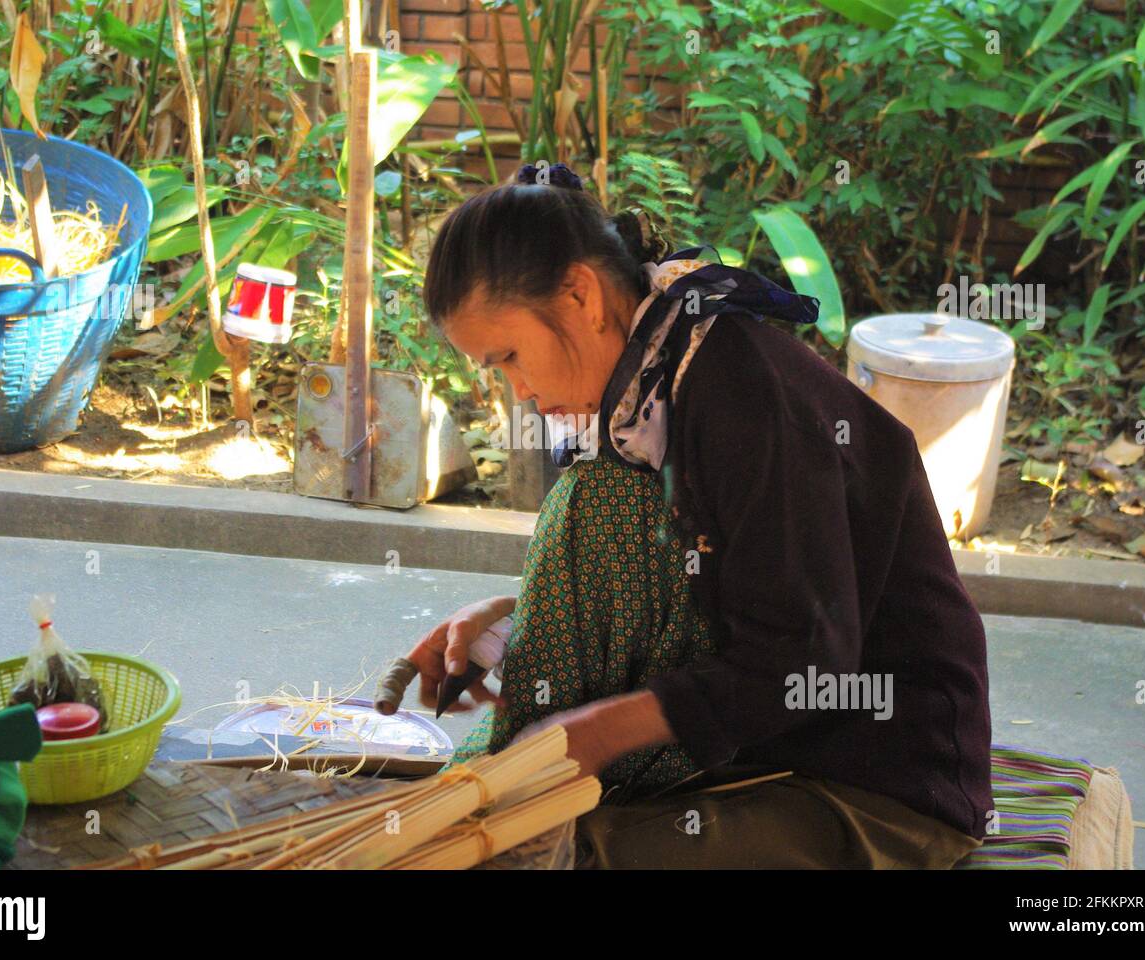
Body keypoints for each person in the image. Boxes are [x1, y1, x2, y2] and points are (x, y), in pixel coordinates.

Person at [399, 162, 993, 868]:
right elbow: (687, 578)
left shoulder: (741, 398)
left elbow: (802, 661)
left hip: (871, 778)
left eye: (510, 358)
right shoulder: (649, 387)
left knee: (548, 857)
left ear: (581, 295)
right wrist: (511, 628)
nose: (519, 391)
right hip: (760, 752)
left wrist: (600, 728)